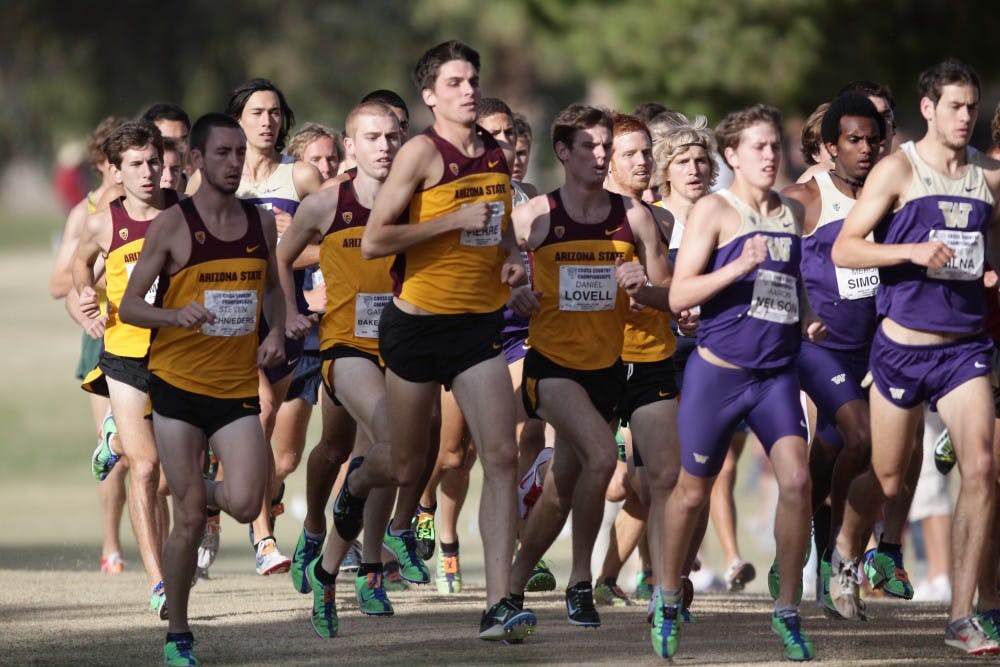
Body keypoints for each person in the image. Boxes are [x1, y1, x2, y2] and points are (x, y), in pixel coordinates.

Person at [353, 40, 536, 642]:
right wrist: (447, 223)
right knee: (406, 464)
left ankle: (498, 603)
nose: (469, 89)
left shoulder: (493, 154)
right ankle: (354, 487)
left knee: (502, 457)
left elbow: (503, 230)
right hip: (416, 325)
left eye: (472, 80)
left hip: (477, 329)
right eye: (455, 82)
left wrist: (512, 264)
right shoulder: (418, 154)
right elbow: (376, 240)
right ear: (430, 95)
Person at [830, 59, 1000, 655]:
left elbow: (989, 238)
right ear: (927, 109)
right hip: (903, 349)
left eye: (972, 107)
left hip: (965, 352)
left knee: (980, 467)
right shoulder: (897, 172)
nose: (964, 117)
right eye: (954, 106)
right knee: (888, 476)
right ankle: (848, 551)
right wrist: (910, 251)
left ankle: (962, 616)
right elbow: (847, 251)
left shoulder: (989, 176)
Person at [118, 112, 287, 666]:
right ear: (195, 160)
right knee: (189, 521)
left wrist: (276, 332)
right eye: (222, 153)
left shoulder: (260, 223)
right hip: (177, 387)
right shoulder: (174, 226)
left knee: (242, 500)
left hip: (235, 385)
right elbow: (131, 304)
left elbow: (272, 290)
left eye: (240, 153)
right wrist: (173, 315)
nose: (234, 162)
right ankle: (180, 632)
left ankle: (193, 489)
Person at [659, 104, 823, 661]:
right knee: (692, 491)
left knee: (797, 481)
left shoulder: (790, 213)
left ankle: (788, 609)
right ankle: (665, 594)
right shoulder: (714, 211)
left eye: (775, 145)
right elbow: (680, 296)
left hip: (776, 374)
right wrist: (736, 266)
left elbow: (790, 279)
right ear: (731, 156)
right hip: (718, 375)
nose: (770, 155)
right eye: (757, 147)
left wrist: (806, 314)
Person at [509, 104, 671, 631]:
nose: (601, 157)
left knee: (561, 488)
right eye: (589, 147)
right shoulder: (535, 215)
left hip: (609, 369)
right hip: (551, 366)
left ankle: (511, 588)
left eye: (606, 147)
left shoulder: (635, 217)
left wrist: (641, 288)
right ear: (562, 152)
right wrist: (516, 294)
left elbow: (666, 294)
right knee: (603, 460)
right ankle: (581, 582)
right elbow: (496, 272)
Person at [277, 101, 415, 636]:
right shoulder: (323, 205)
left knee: (389, 457)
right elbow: (280, 258)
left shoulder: (417, 202)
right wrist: (288, 311)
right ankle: (335, 540)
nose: (384, 145)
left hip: (405, 345)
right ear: (349, 145)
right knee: (382, 442)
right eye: (372, 137)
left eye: (392, 136)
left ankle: (345, 566)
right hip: (346, 347)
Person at [782, 93, 913, 615]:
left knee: (845, 453)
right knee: (857, 439)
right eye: (854, 141)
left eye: (872, 140)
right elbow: (774, 259)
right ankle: (834, 562)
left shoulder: (892, 194)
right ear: (830, 147)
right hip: (820, 346)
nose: (865, 149)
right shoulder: (804, 198)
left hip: (878, 346)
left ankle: (811, 541)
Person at [214, 77, 322, 577]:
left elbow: (341, 239)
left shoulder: (298, 177)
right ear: (238, 119)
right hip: (231, 316)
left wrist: (291, 250)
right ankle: (262, 539)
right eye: (257, 112)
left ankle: (229, 491)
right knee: (260, 411)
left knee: (285, 452)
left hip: (287, 314)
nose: (267, 121)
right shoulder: (218, 178)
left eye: (275, 112)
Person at [73, 119, 179, 618]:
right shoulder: (103, 221)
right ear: (115, 171)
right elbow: (81, 268)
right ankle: (159, 584)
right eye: (135, 164)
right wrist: (86, 301)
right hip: (125, 359)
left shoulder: (182, 214)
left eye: (153, 162)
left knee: (176, 477)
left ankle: (112, 440)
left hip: (180, 358)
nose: (147, 172)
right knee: (147, 467)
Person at [49, 115, 129, 574]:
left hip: (151, 332)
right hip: (101, 334)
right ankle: (112, 548)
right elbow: (60, 283)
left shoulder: (158, 205)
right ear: (103, 162)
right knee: (115, 447)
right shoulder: (87, 213)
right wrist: (95, 283)